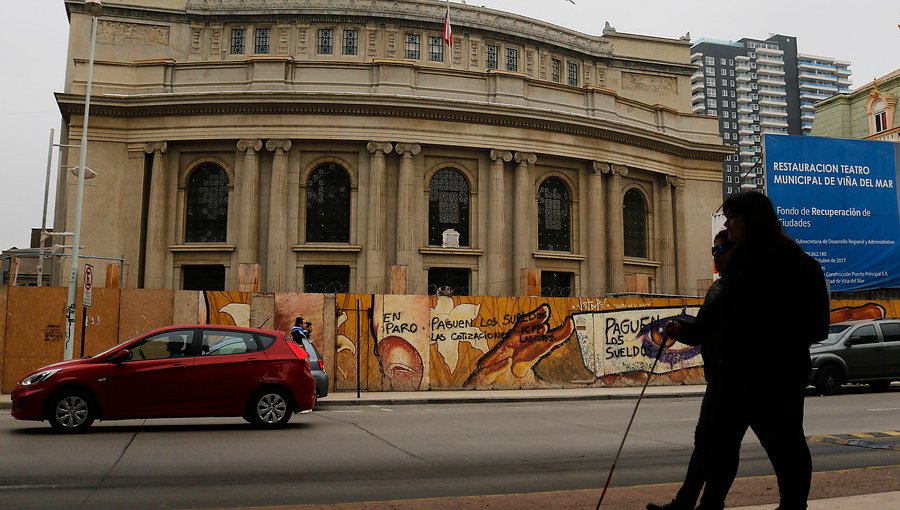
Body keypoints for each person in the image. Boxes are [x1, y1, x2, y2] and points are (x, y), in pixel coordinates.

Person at [671, 191, 829, 510]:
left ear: (751, 221)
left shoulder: (751, 270)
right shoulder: (798, 264)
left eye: (733, 217)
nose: (727, 223)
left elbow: (718, 326)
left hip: (751, 378)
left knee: (734, 446)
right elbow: (817, 329)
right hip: (760, 376)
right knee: (776, 447)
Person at [646, 230, 734, 510]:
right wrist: (684, 329)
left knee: (711, 443)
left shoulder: (728, 288)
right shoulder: (738, 285)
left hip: (729, 380)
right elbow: (706, 331)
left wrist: (683, 329)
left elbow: (704, 331)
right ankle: (701, 504)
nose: (714, 256)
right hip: (731, 378)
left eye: (718, 250)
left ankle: (693, 504)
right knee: (721, 446)